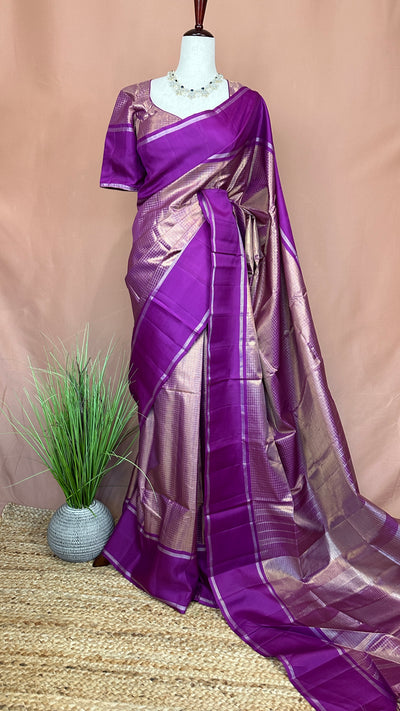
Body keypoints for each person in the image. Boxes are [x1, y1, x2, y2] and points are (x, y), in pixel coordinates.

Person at [98, 25, 400, 711]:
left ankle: (211, 541)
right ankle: (167, 540)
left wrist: (230, 241)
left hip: (224, 267)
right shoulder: (134, 101)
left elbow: (263, 201)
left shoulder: (249, 107)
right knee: (168, 400)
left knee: (214, 400)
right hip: (157, 266)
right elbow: (135, 188)